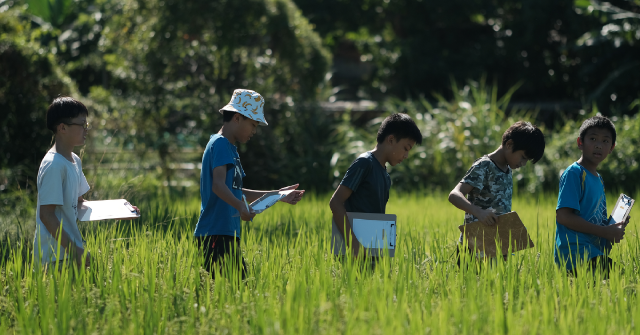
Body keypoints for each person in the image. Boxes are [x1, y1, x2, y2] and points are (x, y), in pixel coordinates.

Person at [194, 89, 305, 280]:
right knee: (232, 292)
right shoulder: (220, 144)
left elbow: (236, 190)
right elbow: (218, 186)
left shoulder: (230, 148)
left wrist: (277, 195)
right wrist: (240, 206)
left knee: (232, 293)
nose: (254, 131)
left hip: (226, 232)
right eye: (253, 124)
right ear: (237, 118)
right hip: (215, 233)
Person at [35, 97, 139, 268]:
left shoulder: (74, 160)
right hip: (55, 256)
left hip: (69, 251)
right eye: (82, 125)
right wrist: (74, 250)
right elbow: (46, 215)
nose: (86, 129)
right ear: (62, 128)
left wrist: (119, 211)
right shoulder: (53, 165)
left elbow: (79, 205)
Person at [448, 121, 545, 262]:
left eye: (527, 160)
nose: (523, 164)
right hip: (474, 246)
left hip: (495, 245)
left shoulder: (507, 170)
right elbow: (454, 195)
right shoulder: (485, 166)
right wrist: (479, 212)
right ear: (509, 144)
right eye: (523, 157)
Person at [329, 113, 423, 259]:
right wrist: (354, 244)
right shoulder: (365, 163)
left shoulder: (385, 174)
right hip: (354, 251)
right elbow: (335, 202)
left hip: (372, 248)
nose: (406, 156)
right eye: (406, 148)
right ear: (391, 139)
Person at [554, 115, 628, 276]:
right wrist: (606, 232)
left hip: (592, 251)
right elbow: (563, 216)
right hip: (575, 254)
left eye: (605, 141)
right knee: (621, 281)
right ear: (580, 143)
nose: (599, 146)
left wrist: (613, 226)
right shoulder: (575, 173)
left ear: (612, 148)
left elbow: (596, 221)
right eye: (593, 139)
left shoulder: (599, 179)